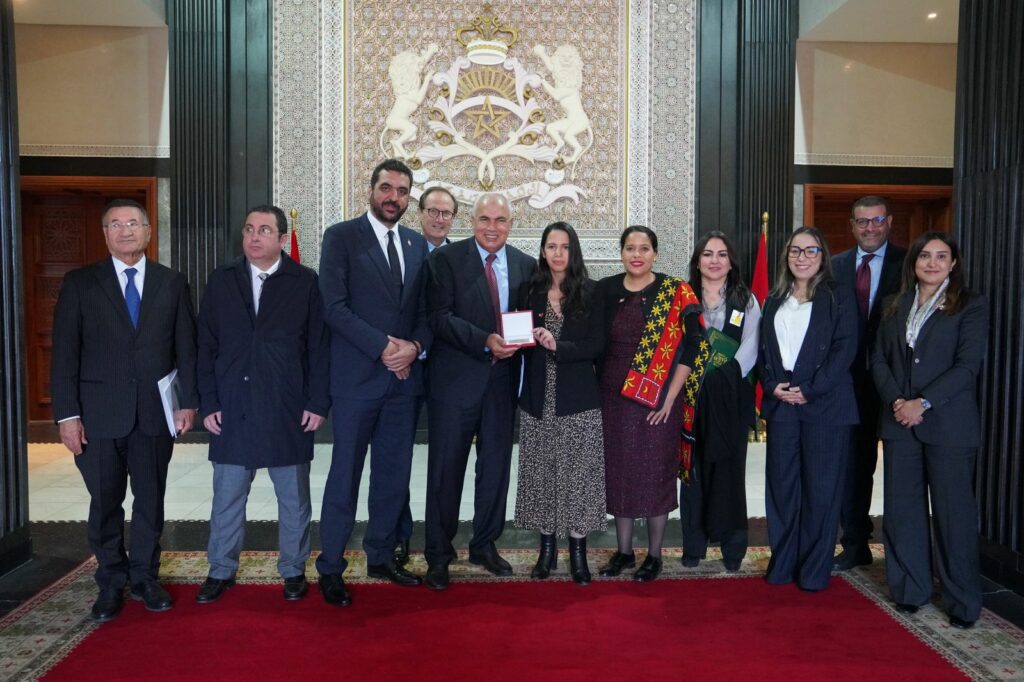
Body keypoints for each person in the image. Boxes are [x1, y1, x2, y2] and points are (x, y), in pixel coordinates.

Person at [50, 198, 198, 623]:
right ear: (105, 234)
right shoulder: (81, 283)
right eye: (115, 224)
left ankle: (146, 579)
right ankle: (112, 582)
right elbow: (65, 356)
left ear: (149, 231)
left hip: (154, 415)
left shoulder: (171, 283)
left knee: (150, 501)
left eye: (133, 223)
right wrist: (67, 416)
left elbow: (186, 347)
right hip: (97, 417)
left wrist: (188, 403)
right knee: (106, 502)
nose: (125, 230)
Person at [194, 205, 330, 605]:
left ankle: (293, 570)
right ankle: (220, 570)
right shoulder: (222, 280)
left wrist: (317, 402)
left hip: (287, 407)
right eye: (249, 229)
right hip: (232, 407)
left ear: (282, 238)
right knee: (228, 497)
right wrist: (208, 402)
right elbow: (206, 347)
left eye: (265, 230)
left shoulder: (304, 282)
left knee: (293, 500)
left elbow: (319, 350)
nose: (255, 237)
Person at [316, 159, 433, 606]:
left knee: (393, 477)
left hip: (403, 386)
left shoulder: (416, 244)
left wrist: (415, 347)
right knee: (344, 477)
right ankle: (330, 567)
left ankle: (382, 555)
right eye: (386, 188)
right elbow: (334, 306)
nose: (393, 198)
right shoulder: (341, 237)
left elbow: (425, 311)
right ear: (371, 190)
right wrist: (386, 348)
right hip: (357, 382)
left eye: (402, 192)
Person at [871, 231, 987, 629]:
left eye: (942, 256)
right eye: (925, 256)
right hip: (899, 423)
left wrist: (923, 402)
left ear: (953, 263)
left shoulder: (970, 306)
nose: (932, 263)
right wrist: (898, 403)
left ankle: (962, 602)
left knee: (953, 516)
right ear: (914, 262)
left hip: (948, 425)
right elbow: (879, 360)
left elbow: (967, 366)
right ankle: (911, 590)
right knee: (903, 513)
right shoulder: (893, 304)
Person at [423, 192, 536, 591]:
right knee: (445, 471)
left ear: (510, 223)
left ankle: (485, 544)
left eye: (500, 220)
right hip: (455, 383)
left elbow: (530, 320)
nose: (492, 227)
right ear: (471, 222)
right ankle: (438, 553)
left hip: (503, 384)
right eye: (485, 219)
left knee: (495, 470)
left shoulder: (526, 265)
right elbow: (439, 318)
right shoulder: (445, 261)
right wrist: (484, 339)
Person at [596, 225, 707, 583]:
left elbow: (694, 346)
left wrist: (670, 397)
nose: (637, 254)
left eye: (644, 248)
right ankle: (625, 552)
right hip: (613, 398)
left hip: (659, 398)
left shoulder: (676, 291)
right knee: (620, 473)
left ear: (655, 254)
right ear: (622, 252)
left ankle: (655, 554)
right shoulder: (605, 290)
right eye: (630, 248)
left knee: (655, 474)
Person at [759, 226, 858, 591]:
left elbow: (844, 351)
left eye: (810, 251)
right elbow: (765, 353)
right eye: (795, 251)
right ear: (787, 257)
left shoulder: (839, 296)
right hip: (783, 405)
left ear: (823, 256)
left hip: (826, 407)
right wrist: (772, 386)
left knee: (821, 489)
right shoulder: (774, 297)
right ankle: (783, 563)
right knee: (782, 489)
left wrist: (810, 390)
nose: (802, 257)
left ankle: (814, 570)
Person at [514, 222, 606, 585]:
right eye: (550, 246)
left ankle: (579, 554)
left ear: (574, 251)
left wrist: (558, 346)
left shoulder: (592, 292)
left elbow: (598, 345)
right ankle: (547, 550)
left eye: (564, 246)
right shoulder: (529, 291)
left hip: (578, 400)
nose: (557, 253)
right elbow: (517, 338)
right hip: (538, 398)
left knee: (578, 478)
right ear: (542, 251)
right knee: (542, 474)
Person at [831, 196, 907, 570]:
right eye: (862, 222)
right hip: (849, 384)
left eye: (877, 221)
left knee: (901, 467)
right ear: (852, 225)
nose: (870, 228)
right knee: (855, 467)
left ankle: (903, 552)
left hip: (897, 382)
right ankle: (856, 543)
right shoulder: (836, 266)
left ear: (889, 221)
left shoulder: (909, 263)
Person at [679, 231, 759, 571]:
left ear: (731, 261)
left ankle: (732, 547)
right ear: (698, 261)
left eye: (722, 254)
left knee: (729, 470)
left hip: (730, 397)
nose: (715, 261)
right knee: (692, 472)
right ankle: (693, 546)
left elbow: (752, 346)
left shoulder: (747, 300)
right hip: (690, 397)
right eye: (708, 254)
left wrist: (722, 376)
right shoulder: (683, 299)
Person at [393, 185, 459, 567]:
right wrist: (406, 352)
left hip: (449, 376)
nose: (438, 218)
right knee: (398, 457)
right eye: (432, 211)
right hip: (404, 371)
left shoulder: (460, 257)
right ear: (419, 213)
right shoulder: (405, 250)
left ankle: (440, 537)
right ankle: (400, 534)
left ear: (454, 218)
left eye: (445, 213)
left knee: (444, 463)